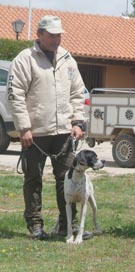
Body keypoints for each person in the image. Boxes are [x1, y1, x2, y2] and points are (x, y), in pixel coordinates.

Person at [7, 15, 86, 239]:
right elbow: (15, 95)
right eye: (51, 35)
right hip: (35, 132)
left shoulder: (68, 59)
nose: (56, 39)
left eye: (58, 35)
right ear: (39, 35)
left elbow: (78, 92)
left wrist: (77, 121)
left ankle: (67, 225)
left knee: (67, 180)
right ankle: (35, 225)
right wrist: (24, 127)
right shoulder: (25, 59)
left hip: (63, 132)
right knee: (33, 179)